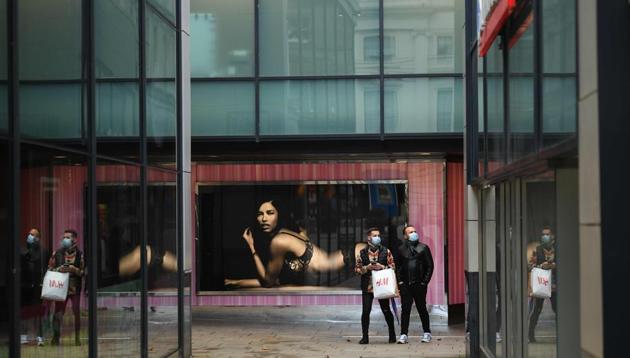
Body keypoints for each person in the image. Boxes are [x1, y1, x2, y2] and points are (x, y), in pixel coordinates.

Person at [229, 199, 348, 288]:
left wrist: (251, 246)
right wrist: (238, 282)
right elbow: (275, 279)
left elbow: (267, 282)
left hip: (346, 263)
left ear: (279, 215)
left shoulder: (279, 241)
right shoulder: (288, 233)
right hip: (337, 270)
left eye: (270, 213)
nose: (264, 219)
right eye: (260, 214)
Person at [355, 227, 396, 344]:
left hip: (382, 285)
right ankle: (365, 337)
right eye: (375, 235)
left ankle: (392, 334)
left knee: (386, 310)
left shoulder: (386, 251)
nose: (377, 237)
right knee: (366, 311)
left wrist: (382, 267)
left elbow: (393, 267)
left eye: (378, 235)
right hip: (367, 287)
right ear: (369, 237)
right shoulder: (362, 252)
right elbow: (357, 269)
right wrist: (366, 268)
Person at [395, 225, 434, 344]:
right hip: (406, 284)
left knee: (422, 308)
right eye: (410, 232)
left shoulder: (423, 248)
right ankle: (403, 334)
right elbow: (399, 267)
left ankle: (427, 333)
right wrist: (400, 282)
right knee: (405, 309)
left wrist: (424, 282)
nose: (414, 233)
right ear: (405, 236)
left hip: (419, 284)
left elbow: (430, 266)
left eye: (415, 231)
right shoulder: (401, 249)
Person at [48, 229, 85, 346]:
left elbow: (84, 272)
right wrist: (59, 269)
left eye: (68, 237)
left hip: (75, 288)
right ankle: (56, 337)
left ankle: (77, 338)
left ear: (75, 239)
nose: (65, 239)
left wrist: (75, 270)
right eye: (64, 237)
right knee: (58, 313)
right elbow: (49, 269)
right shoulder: (57, 253)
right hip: (60, 287)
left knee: (76, 312)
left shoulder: (80, 254)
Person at [527, 226, 557, 343]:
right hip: (541, 284)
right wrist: (541, 265)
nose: (545, 236)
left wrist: (554, 265)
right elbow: (531, 266)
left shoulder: (557, 249)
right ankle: (530, 335)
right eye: (543, 234)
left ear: (552, 236)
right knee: (536, 310)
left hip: (554, 285)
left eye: (547, 234)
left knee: (557, 310)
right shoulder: (538, 249)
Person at [20, 228, 47, 346]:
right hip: (25, 285)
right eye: (29, 234)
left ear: (38, 238)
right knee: (24, 311)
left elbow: (45, 267)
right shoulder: (22, 250)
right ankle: (23, 336)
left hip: (38, 285)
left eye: (33, 235)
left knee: (38, 311)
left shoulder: (43, 251)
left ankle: (40, 336)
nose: (30, 236)